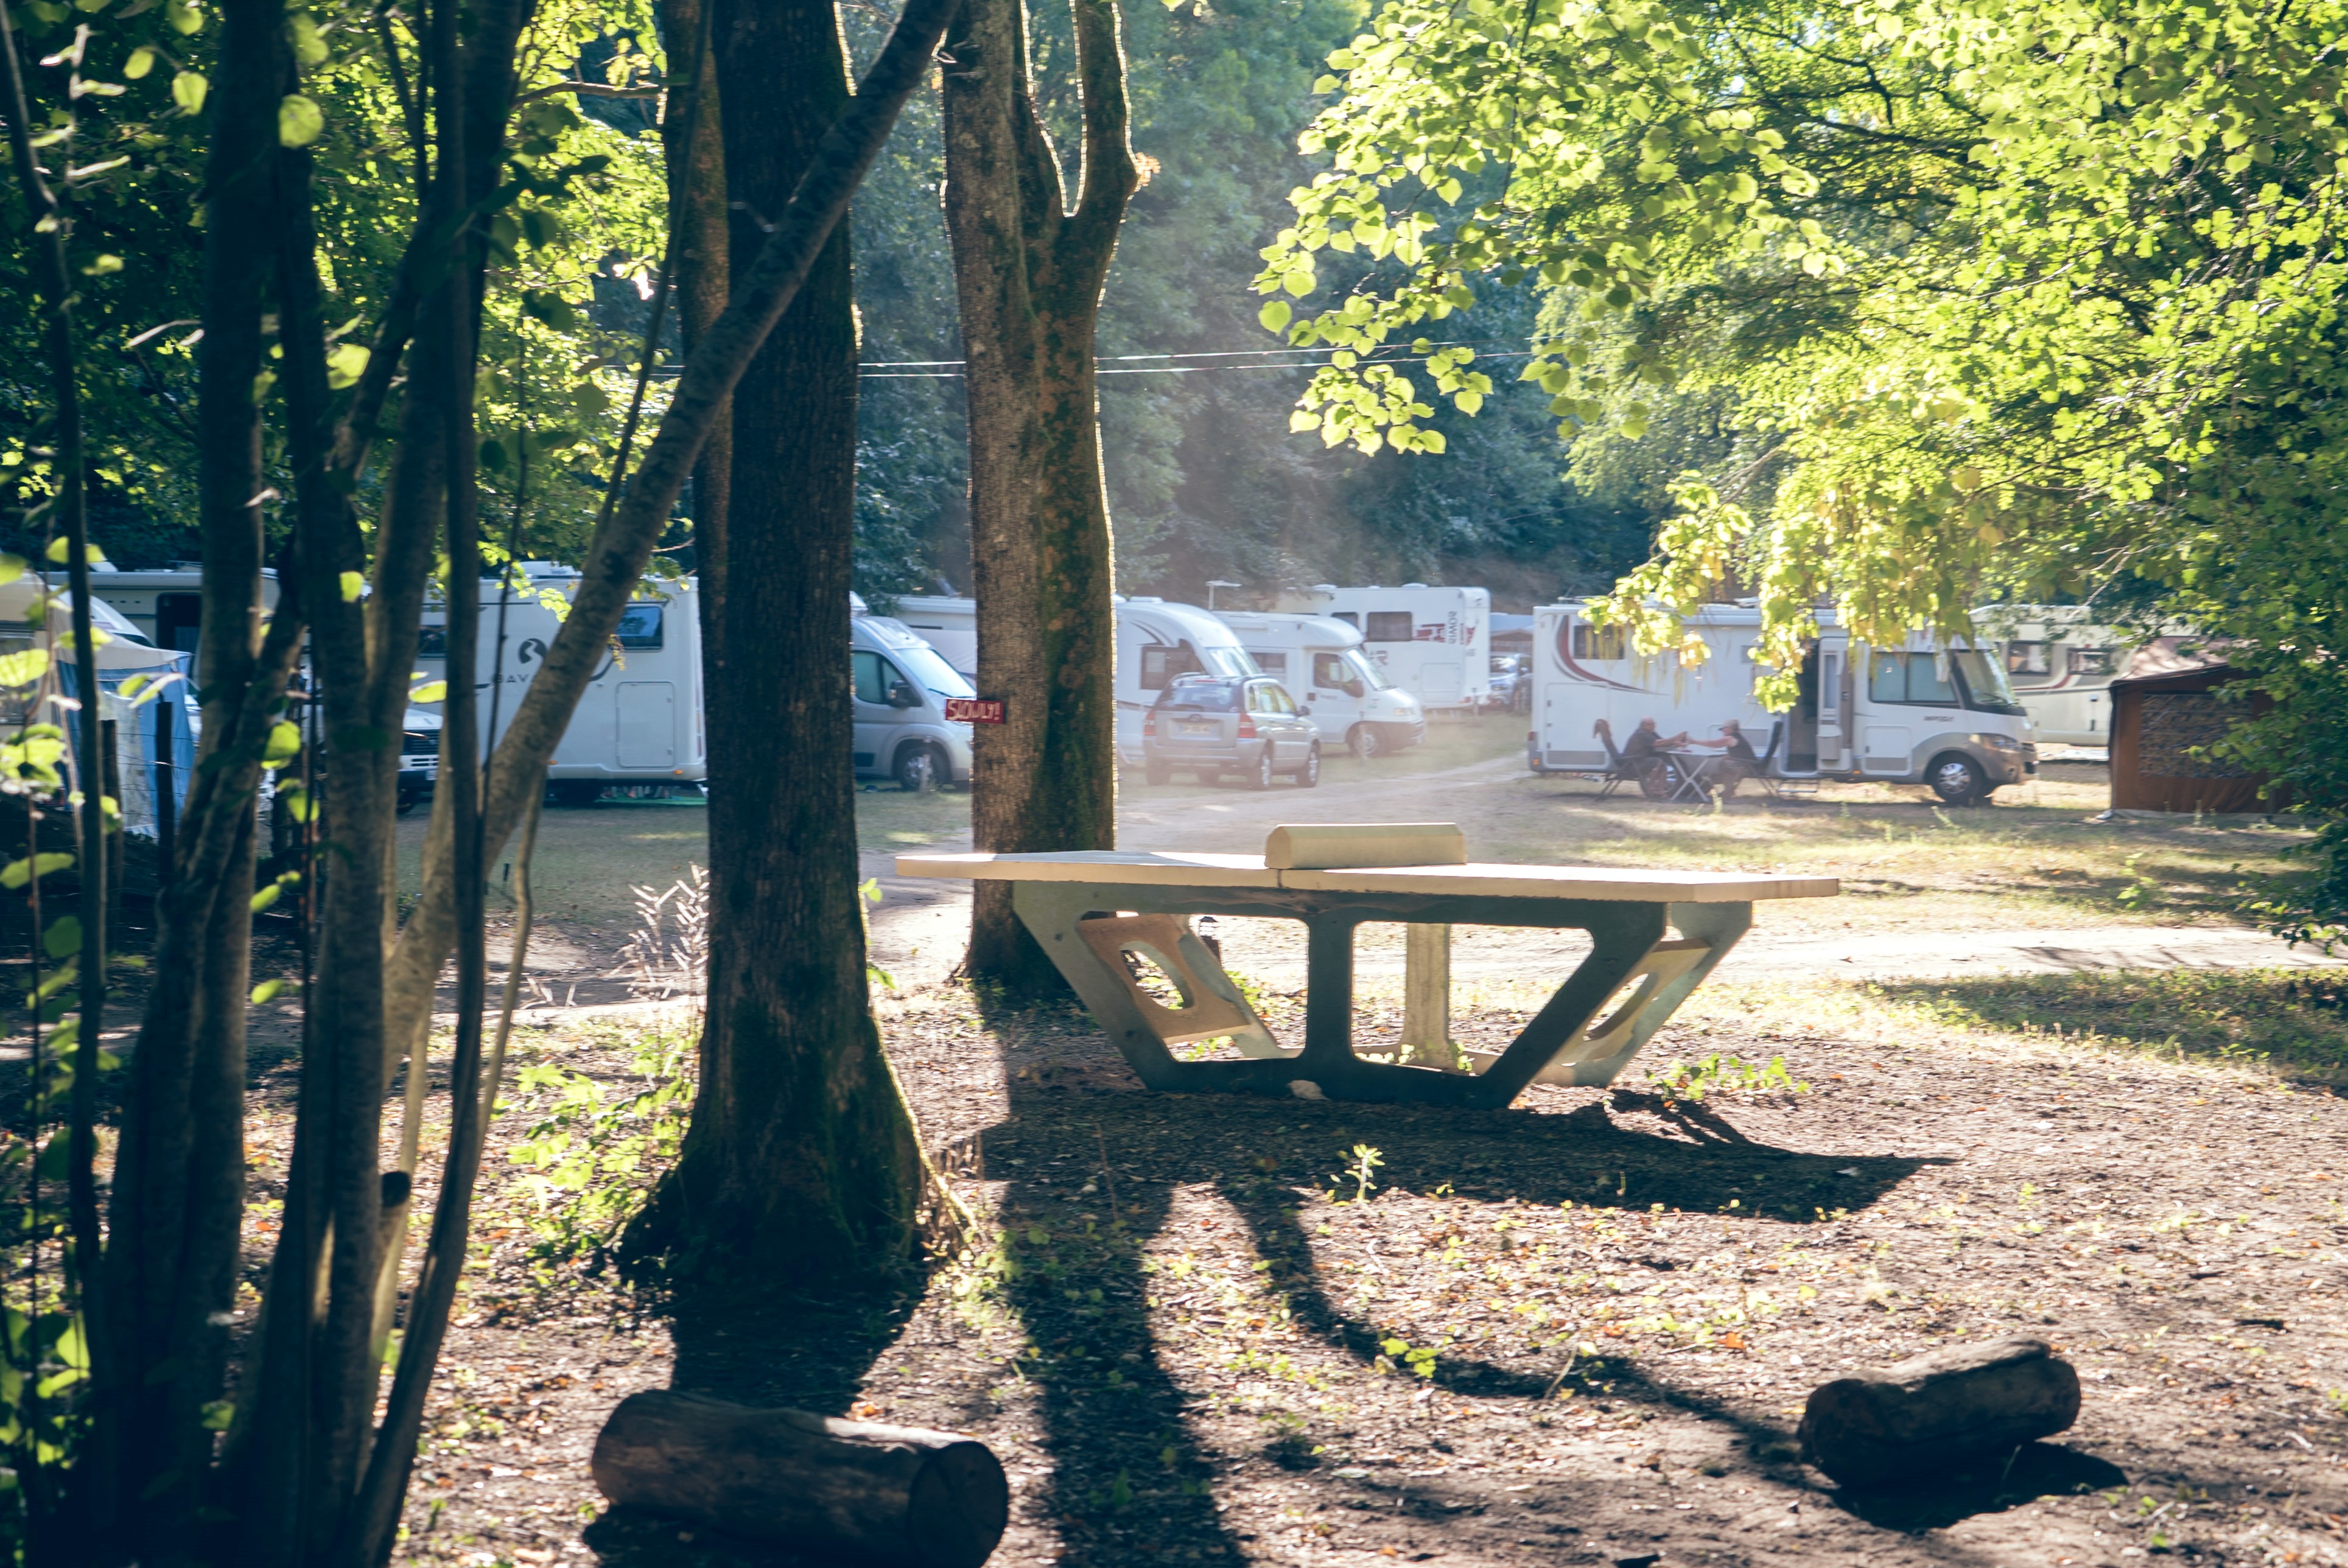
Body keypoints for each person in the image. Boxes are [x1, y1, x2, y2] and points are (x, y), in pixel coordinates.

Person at [1683, 719, 1760, 797]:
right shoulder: (1738, 737)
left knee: (1723, 765)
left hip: (1748, 767)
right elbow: (1741, 754)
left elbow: (1714, 744)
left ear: (1730, 728)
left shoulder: (1730, 738)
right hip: (1751, 766)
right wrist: (1730, 757)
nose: (1722, 731)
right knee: (1725, 764)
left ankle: (1727, 790)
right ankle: (1728, 790)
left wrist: (1694, 742)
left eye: (1723, 729)